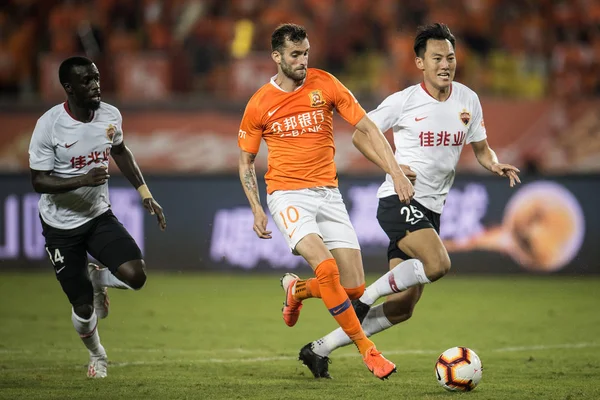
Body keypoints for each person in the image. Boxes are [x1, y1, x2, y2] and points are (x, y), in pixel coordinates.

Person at [295, 23, 521, 378]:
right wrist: (393, 166)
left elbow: (481, 148)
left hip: (431, 210)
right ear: (420, 63)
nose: (446, 64)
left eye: (450, 57)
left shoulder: (468, 100)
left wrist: (493, 163)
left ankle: (319, 348)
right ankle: (365, 296)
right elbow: (360, 135)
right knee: (438, 264)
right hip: (398, 200)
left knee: (403, 307)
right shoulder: (404, 101)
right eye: (437, 58)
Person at [237, 23, 415, 380]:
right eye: (295, 55)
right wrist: (257, 207)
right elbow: (245, 161)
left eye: (306, 53)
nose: (303, 61)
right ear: (276, 57)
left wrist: (394, 169)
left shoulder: (326, 84)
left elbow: (366, 126)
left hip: (328, 194)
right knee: (328, 270)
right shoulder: (259, 103)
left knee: (354, 289)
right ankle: (370, 351)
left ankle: (296, 289)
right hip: (287, 195)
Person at [28, 56, 167, 378]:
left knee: (136, 276)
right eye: (87, 81)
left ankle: (97, 278)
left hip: (97, 215)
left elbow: (120, 150)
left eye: (97, 78)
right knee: (83, 308)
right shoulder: (49, 125)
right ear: (69, 88)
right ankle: (98, 355)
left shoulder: (110, 115)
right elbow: (39, 181)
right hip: (61, 226)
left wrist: (145, 193)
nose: (95, 85)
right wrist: (82, 179)